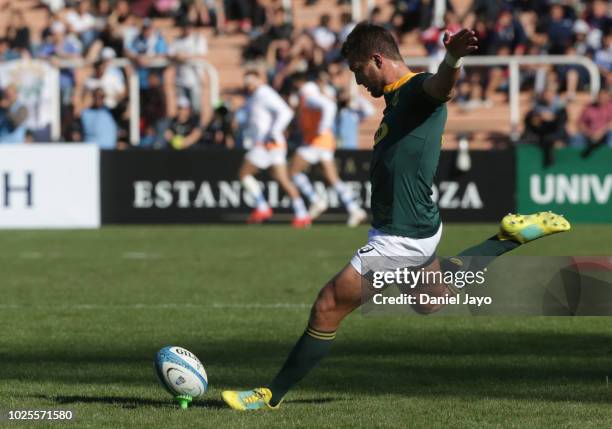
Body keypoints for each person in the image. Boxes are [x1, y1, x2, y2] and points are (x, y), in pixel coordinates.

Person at [221, 23, 570, 411]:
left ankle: (269, 396)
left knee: (327, 306)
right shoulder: (396, 99)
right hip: (416, 226)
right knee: (429, 301)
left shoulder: (415, 91)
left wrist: (453, 57)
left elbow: (443, 87)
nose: (358, 82)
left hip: (400, 238)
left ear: (377, 59)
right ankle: (506, 239)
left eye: (358, 71)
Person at [289, 72, 367, 227]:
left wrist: (322, 127)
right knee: (333, 178)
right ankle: (355, 209)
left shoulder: (309, 97)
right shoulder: (309, 96)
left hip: (316, 142)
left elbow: (329, 106)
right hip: (323, 142)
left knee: (292, 172)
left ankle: (316, 200)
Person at [238, 70, 310, 228]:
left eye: (250, 79)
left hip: (267, 144)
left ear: (259, 79)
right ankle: (301, 213)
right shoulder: (256, 95)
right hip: (270, 143)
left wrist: (274, 131)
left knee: (244, 174)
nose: (247, 84)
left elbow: (285, 112)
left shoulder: (264, 92)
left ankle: (263, 207)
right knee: (282, 179)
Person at [571, 89, 612, 157]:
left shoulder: (610, 106)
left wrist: (601, 132)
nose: (602, 99)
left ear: (608, 98)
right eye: (600, 97)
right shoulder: (589, 108)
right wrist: (588, 132)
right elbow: (581, 123)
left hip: (605, 133)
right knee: (577, 138)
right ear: (597, 97)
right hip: (590, 135)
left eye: (604, 97)